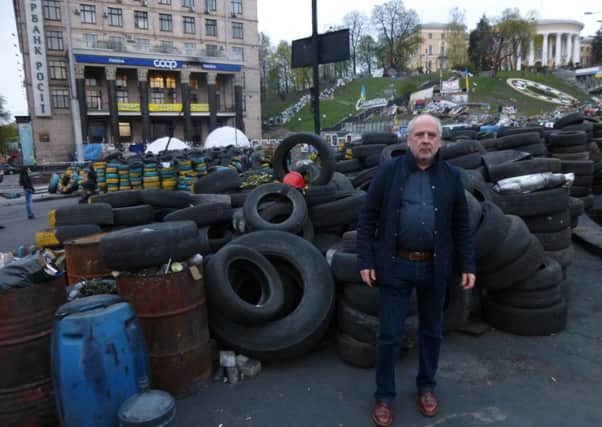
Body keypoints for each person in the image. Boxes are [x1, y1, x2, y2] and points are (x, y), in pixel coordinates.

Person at [356, 114, 476, 426]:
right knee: (389, 335)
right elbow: (367, 218)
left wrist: (467, 264)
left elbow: (461, 225)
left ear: (440, 141)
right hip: (396, 265)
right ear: (408, 140)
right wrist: (366, 260)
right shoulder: (388, 172)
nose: (425, 140)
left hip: (435, 268)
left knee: (432, 332)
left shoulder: (451, 176)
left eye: (431, 135)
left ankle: (426, 387)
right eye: (419, 134)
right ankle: (384, 396)